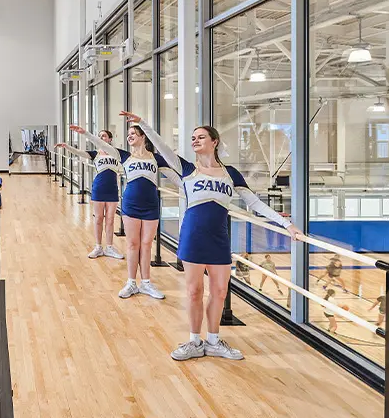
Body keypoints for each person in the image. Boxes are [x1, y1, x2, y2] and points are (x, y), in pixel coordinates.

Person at [125, 115, 301, 362]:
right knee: (194, 291)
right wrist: (144, 125)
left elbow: (254, 203)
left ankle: (214, 341)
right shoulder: (187, 168)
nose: (195, 140)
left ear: (214, 142)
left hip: (219, 239)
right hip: (193, 237)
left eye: (201, 137)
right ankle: (194, 340)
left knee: (219, 292)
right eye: (193, 138)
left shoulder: (230, 174)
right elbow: (162, 146)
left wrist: (287, 224)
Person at [76, 118, 163, 299]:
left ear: (143, 137)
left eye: (133, 134)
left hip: (151, 206)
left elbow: (175, 168)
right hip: (131, 204)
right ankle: (131, 282)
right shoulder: (124, 156)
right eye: (128, 134)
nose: (130, 136)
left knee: (146, 244)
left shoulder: (156, 158)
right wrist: (86, 134)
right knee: (132, 244)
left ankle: (146, 283)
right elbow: (102, 145)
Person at [56, 131, 126, 262]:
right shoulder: (95, 154)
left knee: (110, 220)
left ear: (110, 139)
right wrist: (67, 146)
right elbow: (79, 153)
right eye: (100, 136)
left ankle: (109, 247)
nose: (101, 138)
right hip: (99, 188)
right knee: (99, 218)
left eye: (104, 135)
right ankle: (98, 246)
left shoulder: (117, 153)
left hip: (112, 189)